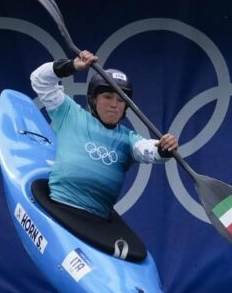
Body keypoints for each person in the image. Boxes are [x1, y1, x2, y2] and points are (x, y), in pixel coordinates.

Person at [30, 50, 178, 219]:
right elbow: (40, 80)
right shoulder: (69, 113)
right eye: (107, 97)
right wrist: (72, 65)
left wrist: (163, 148)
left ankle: (218, 212)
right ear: (93, 99)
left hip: (98, 220)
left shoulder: (129, 139)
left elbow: (149, 150)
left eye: (121, 100)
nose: (115, 104)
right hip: (60, 207)